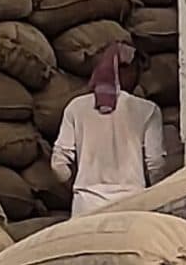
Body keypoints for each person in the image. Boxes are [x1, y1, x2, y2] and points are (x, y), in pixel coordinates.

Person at [50, 41, 173, 215]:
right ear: (123, 69)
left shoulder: (76, 108)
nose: (138, 78)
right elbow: (156, 165)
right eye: (136, 70)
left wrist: (80, 188)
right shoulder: (147, 110)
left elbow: (58, 165)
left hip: (86, 207)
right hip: (132, 206)